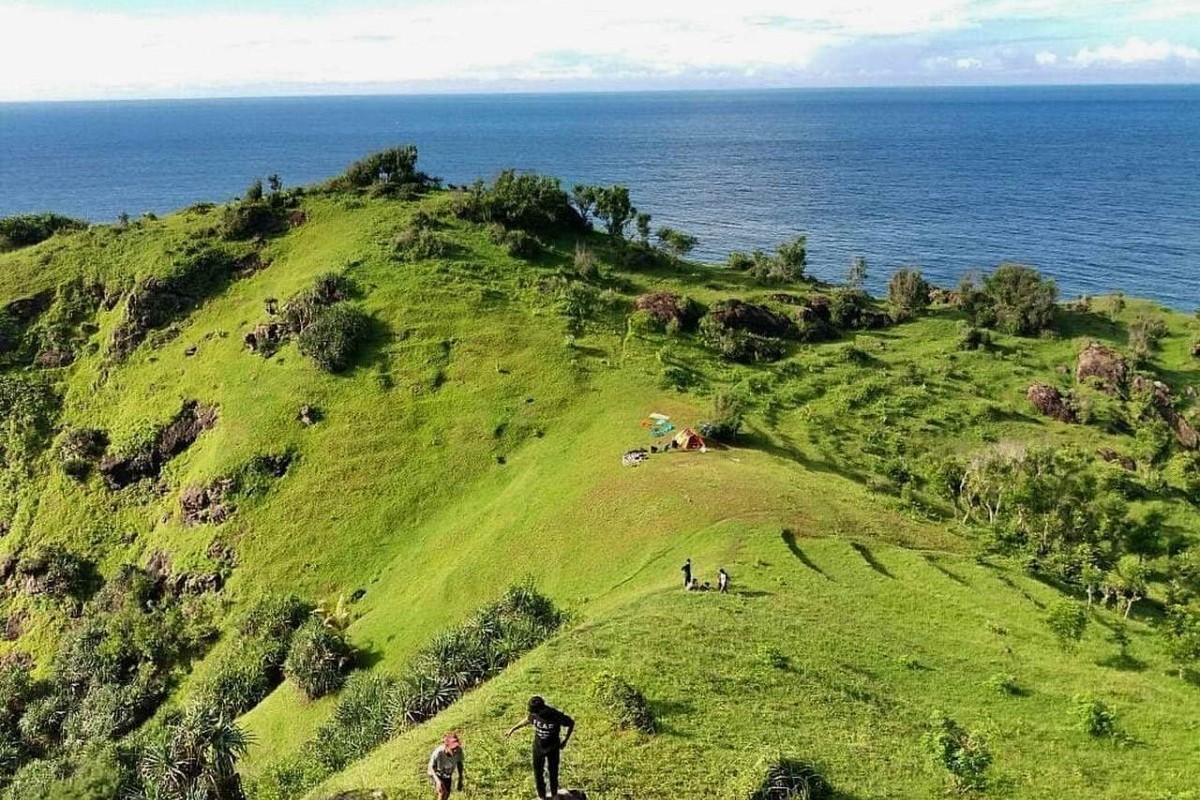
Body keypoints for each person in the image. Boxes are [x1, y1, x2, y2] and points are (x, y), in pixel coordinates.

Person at [506, 695, 575, 799]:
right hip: (538, 747)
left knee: (553, 772)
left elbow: (571, 723)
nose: (533, 714)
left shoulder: (555, 715)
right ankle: (542, 796)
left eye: (534, 712)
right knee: (538, 773)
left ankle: (555, 795)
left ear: (541, 709)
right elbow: (527, 720)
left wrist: (565, 741)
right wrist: (512, 729)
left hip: (553, 747)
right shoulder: (534, 713)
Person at [427, 732, 464, 799]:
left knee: (446, 795)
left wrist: (460, 778)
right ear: (446, 746)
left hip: (447, 775)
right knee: (442, 792)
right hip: (436, 773)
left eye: (456, 747)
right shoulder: (438, 752)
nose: (455, 750)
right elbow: (430, 767)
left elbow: (459, 763)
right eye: (453, 748)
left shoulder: (459, 751)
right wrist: (438, 781)